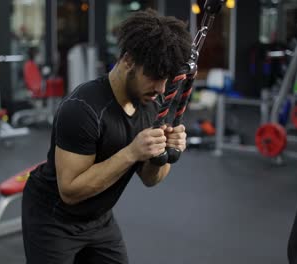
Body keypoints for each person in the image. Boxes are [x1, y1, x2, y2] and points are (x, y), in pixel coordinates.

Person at [22, 8, 192, 264]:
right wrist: (132, 152)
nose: (161, 89)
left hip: (99, 219)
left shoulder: (150, 107)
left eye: (166, 79)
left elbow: (150, 179)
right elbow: (70, 191)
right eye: (154, 77)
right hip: (53, 219)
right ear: (128, 61)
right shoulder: (82, 109)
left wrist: (164, 152)